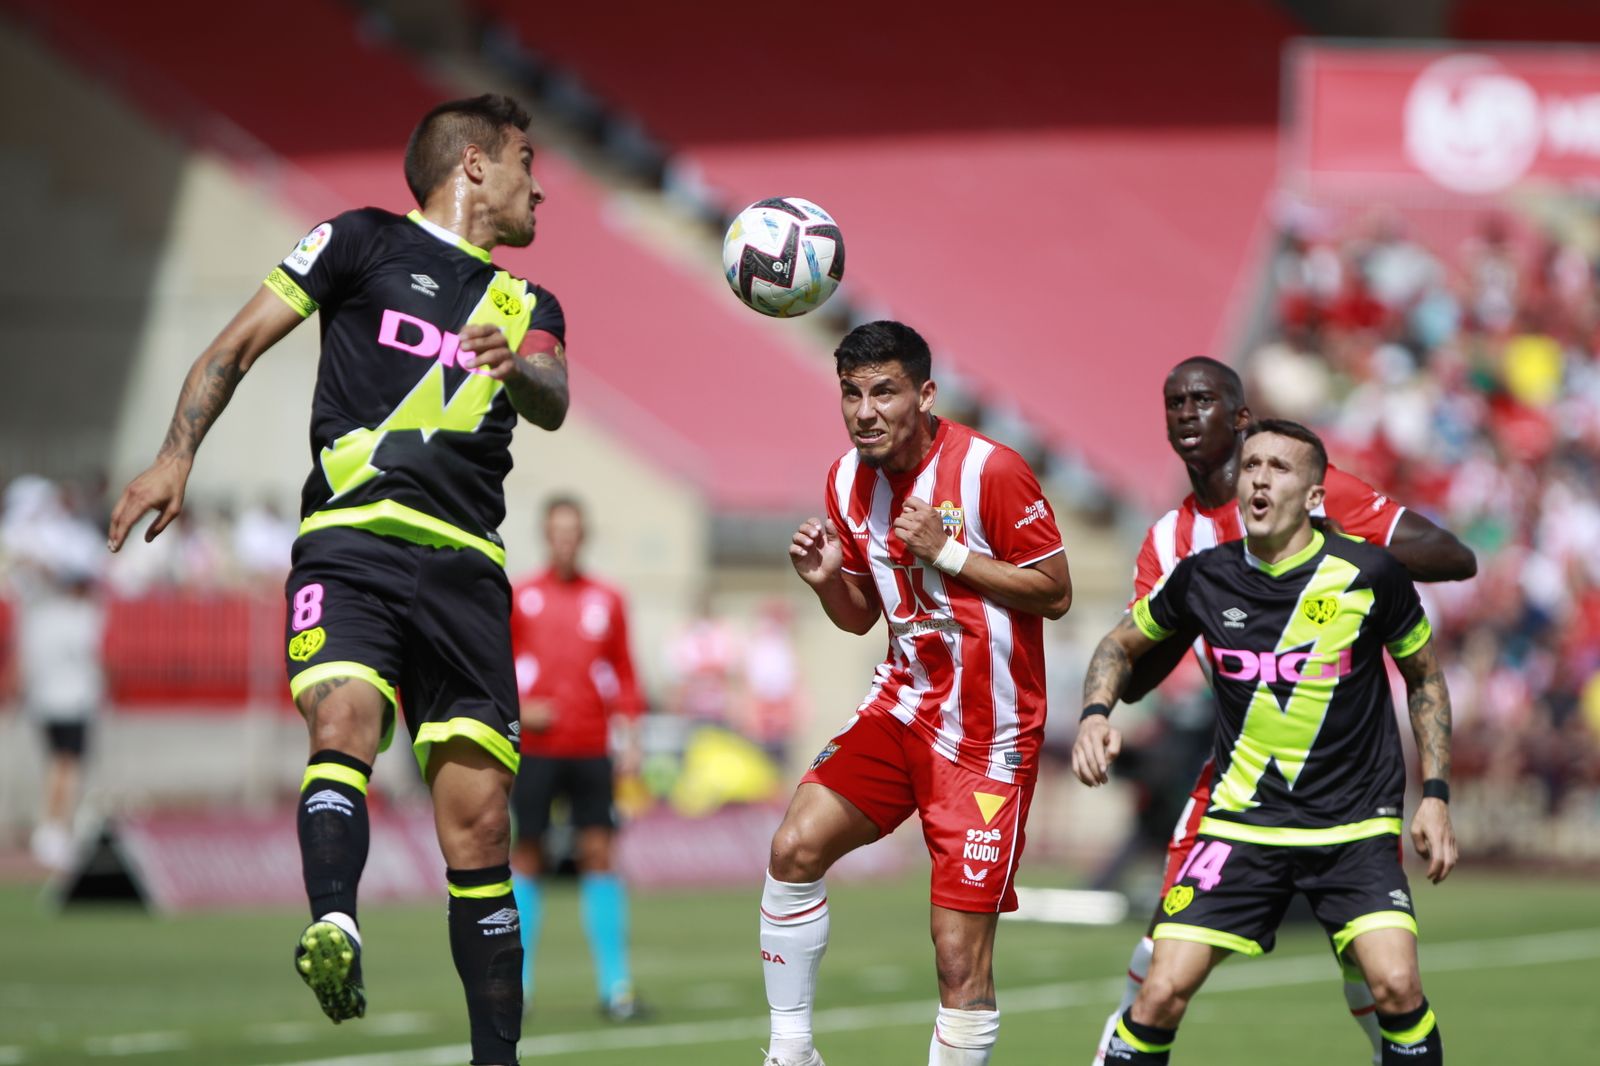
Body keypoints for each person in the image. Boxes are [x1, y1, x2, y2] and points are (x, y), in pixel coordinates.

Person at [106, 94, 566, 1066]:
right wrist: (174, 457)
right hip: (351, 541)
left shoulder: (529, 305)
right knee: (340, 719)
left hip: (467, 568)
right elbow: (232, 344)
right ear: (474, 164)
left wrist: (516, 373)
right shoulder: (357, 241)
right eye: (529, 159)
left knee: (481, 827)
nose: (542, 184)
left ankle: (497, 1060)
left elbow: (555, 395)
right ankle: (335, 924)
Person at [1090, 356, 1475, 1066]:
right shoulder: (1177, 551)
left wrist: (1352, 550)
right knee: (1161, 966)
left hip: (1348, 801)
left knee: (1383, 976)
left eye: (1203, 400)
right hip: (1239, 791)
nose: (1185, 414)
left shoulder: (1347, 544)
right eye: (1173, 401)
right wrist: (1098, 709)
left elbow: (1452, 565)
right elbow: (1133, 665)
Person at [762, 320, 1072, 1066]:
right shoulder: (845, 481)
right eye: (851, 394)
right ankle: (791, 1051)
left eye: (884, 392)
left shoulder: (990, 472)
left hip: (988, 739)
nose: (865, 411)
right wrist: (825, 580)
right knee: (794, 847)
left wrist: (950, 551)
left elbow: (1055, 592)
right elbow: (862, 614)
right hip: (902, 706)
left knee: (958, 960)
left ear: (925, 395)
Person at [508, 495, 647, 1021]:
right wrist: (521, 713)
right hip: (538, 750)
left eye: (572, 531)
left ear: (582, 536)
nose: (564, 539)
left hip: (591, 746)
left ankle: (617, 988)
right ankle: (515, 986)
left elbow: (625, 672)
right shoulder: (522, 596)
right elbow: (498, 672)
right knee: (527, 858)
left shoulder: (607, 600)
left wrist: (630, 737)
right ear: (547, 535)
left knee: (600, 855)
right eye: (556, 531)